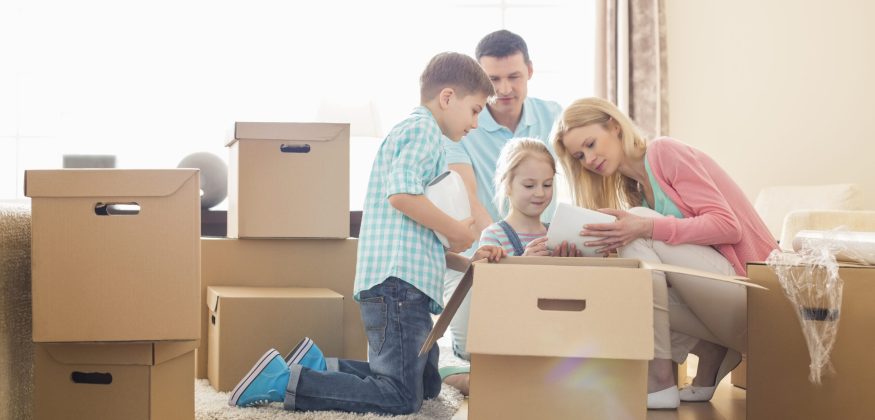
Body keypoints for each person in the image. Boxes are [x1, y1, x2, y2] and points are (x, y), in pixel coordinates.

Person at [226, 52, 506, 415]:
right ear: (448, 98)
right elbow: (401, 195)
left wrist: (466, 259)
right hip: (399, 288)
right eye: (475, 109)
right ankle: (286, 381)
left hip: (405, 284)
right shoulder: (422, 131)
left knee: (425, 385)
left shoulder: (422, 136)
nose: (476, 121)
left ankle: (320, 365)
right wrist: (455, 229)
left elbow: (419, 238)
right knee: (401, 396)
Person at [551, 97, 777, 410]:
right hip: (722, 308)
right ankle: (710, 351)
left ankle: (659, 377)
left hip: (756, 298)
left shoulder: (663, 152)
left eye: (590, 144)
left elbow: (728, 226)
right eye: (580, 155)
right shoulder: (634, 189)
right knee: (625, 286)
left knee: (638, 222)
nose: (588, 159)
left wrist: (646, 227)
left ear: (614, 126)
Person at [441, 29, 562, 389]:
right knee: (472, 344)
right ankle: (451, 366)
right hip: (486, 254)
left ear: (530, 71)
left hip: (542, 247)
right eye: (494, 80)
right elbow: (472, 198)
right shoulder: (462, 125)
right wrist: (509, 255)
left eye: (514, 77)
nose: (505, 89)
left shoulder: (552, 115)